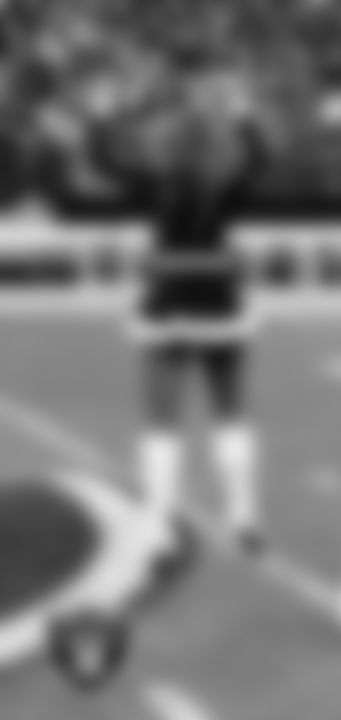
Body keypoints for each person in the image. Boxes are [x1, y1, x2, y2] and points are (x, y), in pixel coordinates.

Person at [91, 67, 266, 562]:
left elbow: (103, 159)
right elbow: (260, 160)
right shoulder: (227, 182)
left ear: (169, 142)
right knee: (231, 414)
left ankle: (158, 524)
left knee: (161, 422)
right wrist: (244, 113)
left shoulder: (157, 181)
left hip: (169, 301)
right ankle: (244, 516)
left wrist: (104, 111)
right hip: (221, 301)